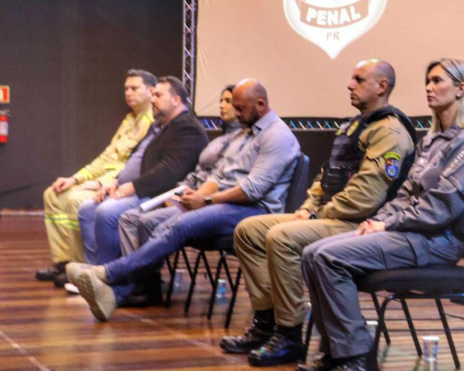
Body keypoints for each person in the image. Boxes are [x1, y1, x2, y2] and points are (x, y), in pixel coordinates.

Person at [221, 60, 416, 367]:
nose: (349, 84)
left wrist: (316, 215)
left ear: (382, 86)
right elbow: (325, 178)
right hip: (332, 217)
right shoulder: (353, 126)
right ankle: (268, 322)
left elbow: (365, 197)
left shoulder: (390, 131)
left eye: (359, 79)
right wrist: (307, 207)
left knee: (281, 237)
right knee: (249, 230)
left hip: (362, 225)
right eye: (351, 78)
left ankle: (288, 335)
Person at [299, 59, 464, 371]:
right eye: (427, 80)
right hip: (410, 234)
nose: (429, 87)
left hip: (436, 241)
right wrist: (375, 222)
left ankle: (355, 357)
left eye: (438, 81)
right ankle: (337, 350)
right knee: (311, 254)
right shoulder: (429, 141)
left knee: (328, 259)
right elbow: (404, 195)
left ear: (461, 89)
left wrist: (387, 223)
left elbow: (441, 208)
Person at [67, 79, 301, 322]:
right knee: (149, 221)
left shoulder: (277, 136)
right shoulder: (244, 134)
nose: (236, 114)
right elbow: (219, 175)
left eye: (240, 108)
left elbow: (253, 190)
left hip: (253, 211)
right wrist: (198, 195)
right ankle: (118, 294)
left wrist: (207, 200)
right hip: (223, 204)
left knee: (181, 225)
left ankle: (107, 273)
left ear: (261, 104)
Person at [36, 69, 156, 287]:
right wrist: (75, 178)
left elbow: (135, 167)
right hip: (103, 179)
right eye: (126, 88)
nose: (128, 93)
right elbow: (105, 158)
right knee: (53, 194)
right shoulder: (130, 119)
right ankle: (63, 262)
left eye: (134, 88)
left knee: (75, 200)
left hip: (118, 184)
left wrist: (98, 183)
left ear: (151, 91)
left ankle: (81, 265)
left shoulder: (153, 124)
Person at [76, 76, 208, 266]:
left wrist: (130, 187)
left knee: (106, 211)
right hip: (138, 189)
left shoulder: (188, 128)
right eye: (152, 94)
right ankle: (92, 269)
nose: (152, 99)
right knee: (87, 209)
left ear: (176, 100)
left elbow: (170, 172)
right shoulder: (160, 126)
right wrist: (116, 181)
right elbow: (136, 158)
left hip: (160, 195)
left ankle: (109, 275)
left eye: (158, 95)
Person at [118, 84, 243, 258]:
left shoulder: (243, 143)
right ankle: (135, 280)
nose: (222, 105)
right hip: (189, 195)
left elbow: (221, 181)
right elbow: (196, 174)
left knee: (139, 220)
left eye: (228, 101)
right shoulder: (219, 141)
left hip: (207, 203)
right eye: (221, 100)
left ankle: (138, 281)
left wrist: (196, 199)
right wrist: (175, 194)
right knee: (129, 217)